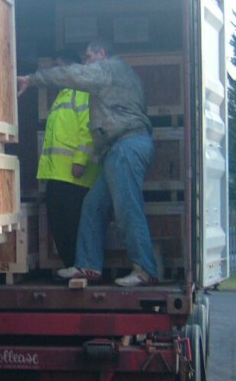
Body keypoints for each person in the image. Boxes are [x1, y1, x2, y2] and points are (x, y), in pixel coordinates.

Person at [18, 39, 157, 287]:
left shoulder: (108, 69)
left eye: (89, 57)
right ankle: (89, 266)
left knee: (127, 209)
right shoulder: (126, 74)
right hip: (120, 148)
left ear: (101, 54)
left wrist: (33, 79)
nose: (87, 63)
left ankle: (145, 268)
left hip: (125, 146)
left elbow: (74, 74)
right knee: (93, 206)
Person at [37, 49, 99, 268]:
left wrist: (80, 161)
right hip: (58, 174)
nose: (56, 71)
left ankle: (78, 266)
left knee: (72, 224)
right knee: (58, 222)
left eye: (60, 66)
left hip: (75, 175)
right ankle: (71, 266)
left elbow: (87, 129)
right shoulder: (62, 95)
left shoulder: (81, 92)